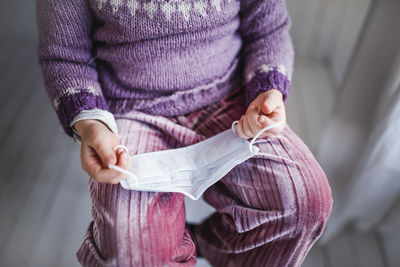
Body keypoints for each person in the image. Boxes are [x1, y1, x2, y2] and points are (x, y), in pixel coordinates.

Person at [36, 0, 332, 266]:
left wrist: (269, 89)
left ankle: (202, 244)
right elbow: (65, 56)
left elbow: (268, 29)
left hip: (231, 100)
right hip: (131, 109)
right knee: (131, 246)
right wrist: (91, 124)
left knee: (304, 201)